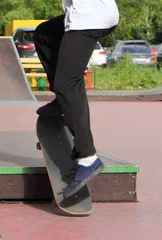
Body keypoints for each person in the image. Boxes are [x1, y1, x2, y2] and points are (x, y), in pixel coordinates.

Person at [33, 0, 119, 199]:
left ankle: (87, 157)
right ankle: (62, 103)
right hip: (85, 15)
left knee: (67, 84)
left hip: (90, 18)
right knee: (45, 34)